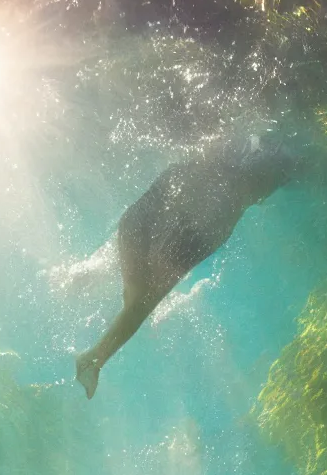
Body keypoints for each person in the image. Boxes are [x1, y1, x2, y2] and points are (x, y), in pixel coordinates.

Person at [75, 134, 299, 398]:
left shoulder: (216, 162)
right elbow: (162, 278)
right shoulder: (224, 214)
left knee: (136, 297)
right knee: (140, 303)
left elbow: (158, 197)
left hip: (137, 222)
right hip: (148, 227)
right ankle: (92, 360)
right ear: (261, 191)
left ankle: (88, 280)